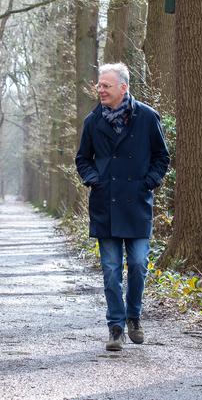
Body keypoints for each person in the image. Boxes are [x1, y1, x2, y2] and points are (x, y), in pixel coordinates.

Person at [75, 63, 170, 351]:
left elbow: (161, 157)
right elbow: (83, 159)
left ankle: (134, 317)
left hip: (138, 204)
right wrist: (95, 180)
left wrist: (148, 183)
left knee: (139, 265)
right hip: (106, 205)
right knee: (111, 270)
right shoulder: (93, 121)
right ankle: (115, 326)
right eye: (99, 85)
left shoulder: (147, 117)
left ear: (123, 87)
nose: (100, 89)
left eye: (106, 85)